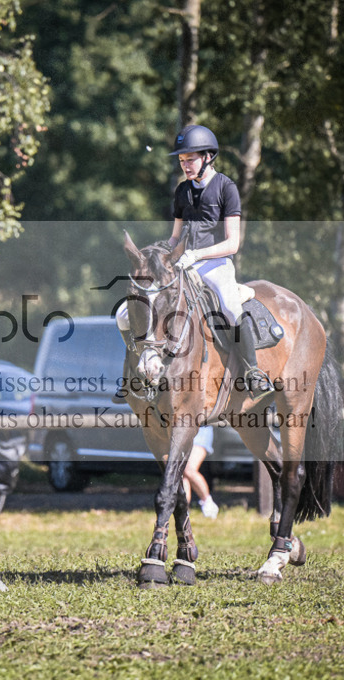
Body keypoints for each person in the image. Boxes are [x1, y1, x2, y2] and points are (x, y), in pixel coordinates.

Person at [115, 124, 273, 397]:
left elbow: (232, 242)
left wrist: (197, 254)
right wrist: (162, 256)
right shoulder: (182, 191)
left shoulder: (226, 188)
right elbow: (175, 238)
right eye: (181, 160)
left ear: (208, 157)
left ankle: (252, 371)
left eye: (190, 159)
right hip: (181, 264)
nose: (185, 165)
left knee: (230, 306)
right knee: (124, 314)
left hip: (215, 262)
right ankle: (132, 372)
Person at [184, 425, 219, 519]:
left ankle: (208, 502)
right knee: (182, 473)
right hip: (182, 431)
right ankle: (184, 508)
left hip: (201, 431)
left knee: (189, 469)